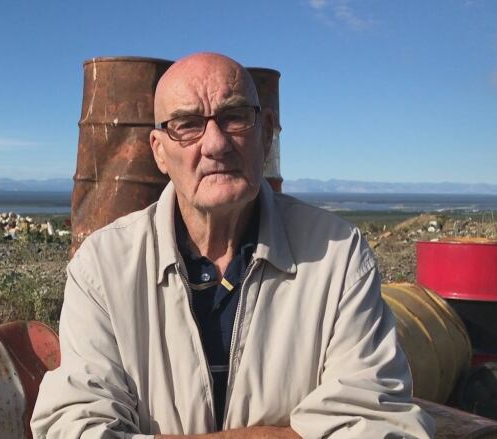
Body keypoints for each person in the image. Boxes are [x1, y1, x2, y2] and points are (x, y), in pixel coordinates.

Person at [31, 52, 434, 438]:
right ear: (159, 152)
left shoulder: (337, 255)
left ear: (267, 134)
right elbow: (75, 427)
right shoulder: (102, 267)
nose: (216, 144)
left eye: (235, 117)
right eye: (187, 124)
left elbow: (378, 424)